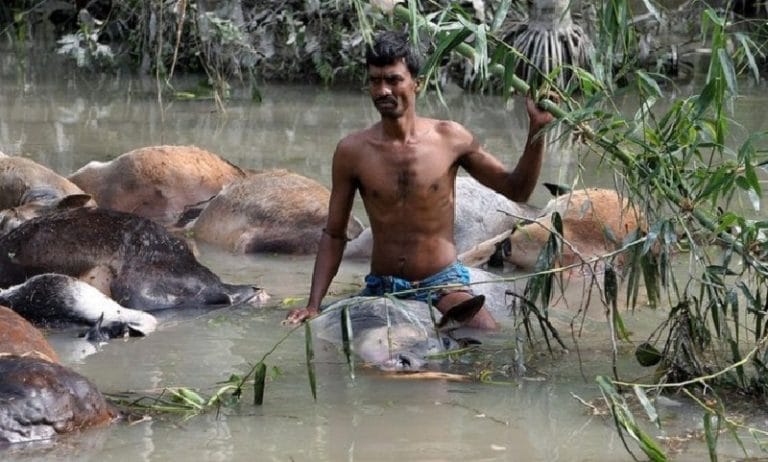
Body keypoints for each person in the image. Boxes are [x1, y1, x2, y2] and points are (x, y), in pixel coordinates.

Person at [286, 30, 554, 329]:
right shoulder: (352, 151)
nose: (383, 90)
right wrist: (313, 304)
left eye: (393, 79)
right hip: (383, 285)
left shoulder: (450, 138)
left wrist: (537, 130)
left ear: (417, 83)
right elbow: (334, 234)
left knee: (487, 337)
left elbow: (517, 189)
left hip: (442, 282)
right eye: (375, 81)